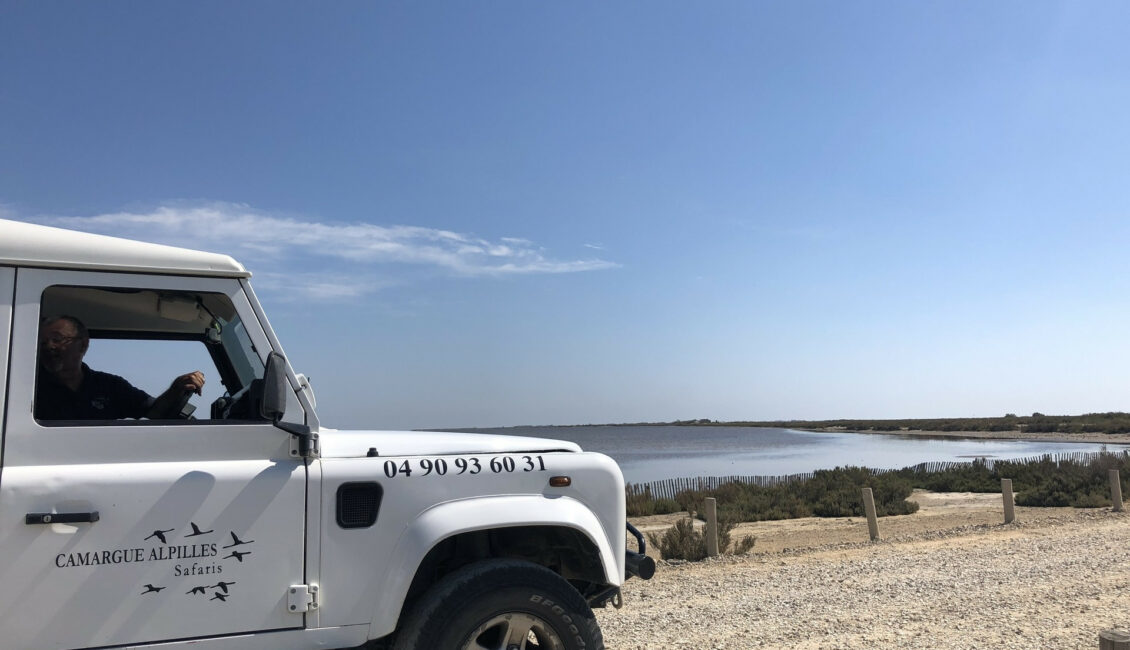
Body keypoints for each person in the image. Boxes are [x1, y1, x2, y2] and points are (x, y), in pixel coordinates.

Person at [35, 315, 205, 421]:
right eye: (43, 342)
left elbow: (153, 413)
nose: (49, 347)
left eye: (57, 339)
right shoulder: (30, 387)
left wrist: (176, 389)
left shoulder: (109, 386)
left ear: (83, 345)